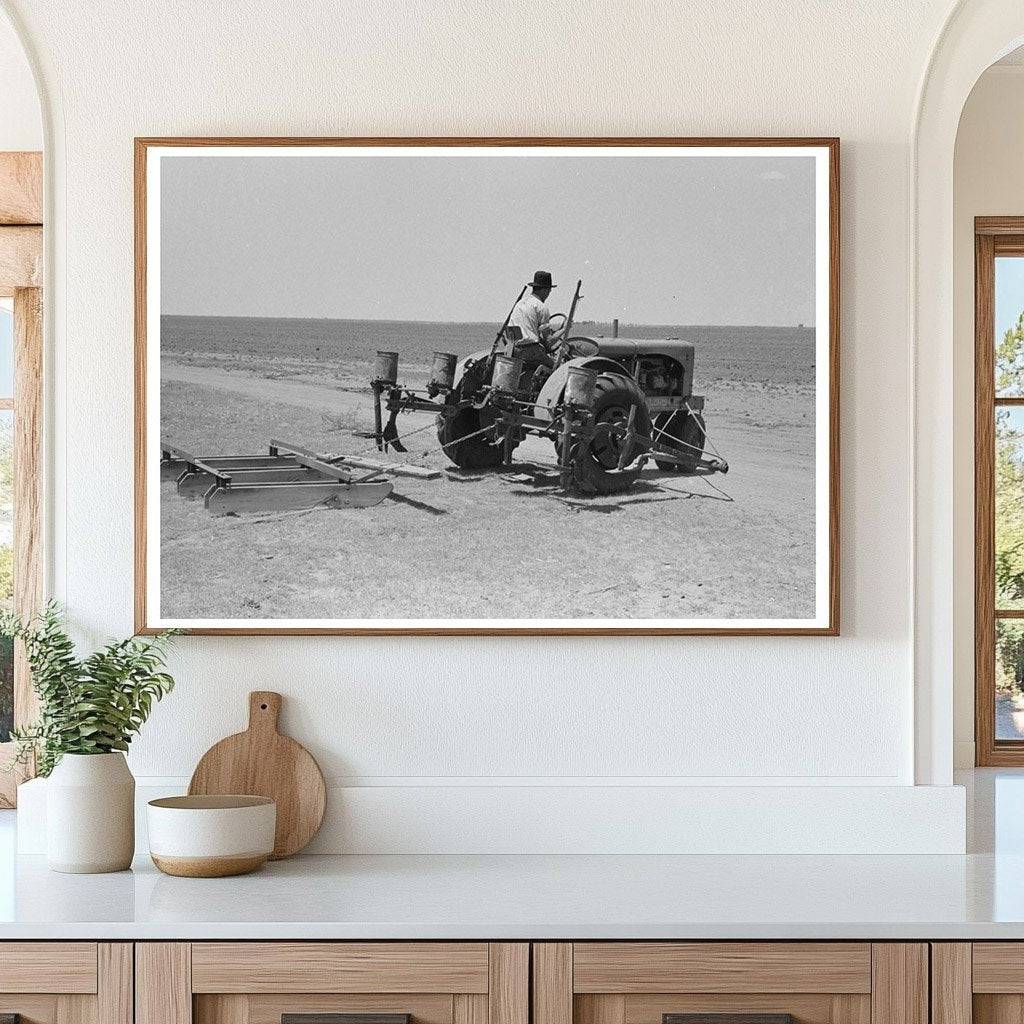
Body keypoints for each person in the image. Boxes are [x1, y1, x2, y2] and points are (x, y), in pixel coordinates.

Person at [507, 270, 564, 381]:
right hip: (530, 352)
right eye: (549, 291)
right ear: (545, 290)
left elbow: (522, 332)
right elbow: (549, 340)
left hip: (512, 349)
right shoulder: (541, 307)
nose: (549, 294)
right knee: (560, 369)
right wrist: (565, 329)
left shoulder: (520, 304)